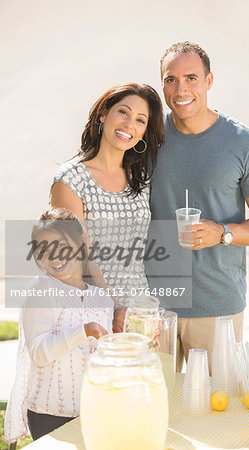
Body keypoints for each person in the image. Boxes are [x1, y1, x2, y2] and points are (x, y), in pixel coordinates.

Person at [150, 41, 249, 371]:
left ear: (209, 81)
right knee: (151, 414)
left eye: (191, 78)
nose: (181, 89)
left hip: (216, 306)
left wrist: (222, 233)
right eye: (171, 79)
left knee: (215, 412)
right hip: (153, 306)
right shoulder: (148, 137)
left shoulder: (245, 143)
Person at [50, 83, 164, 331]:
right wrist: (113, 308)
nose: (129, 124)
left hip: (139, 309)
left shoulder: (140, 178)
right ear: (103, 114)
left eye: (140, 120)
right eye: (123, 112)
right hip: (91, 314)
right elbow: (78, 257)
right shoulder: (70, 179)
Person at [5, 208, 114, 443]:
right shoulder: (41, 290)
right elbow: (39, 353)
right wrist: (84, 331)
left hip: (92, 410)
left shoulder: (102, 299)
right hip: (49, 414)